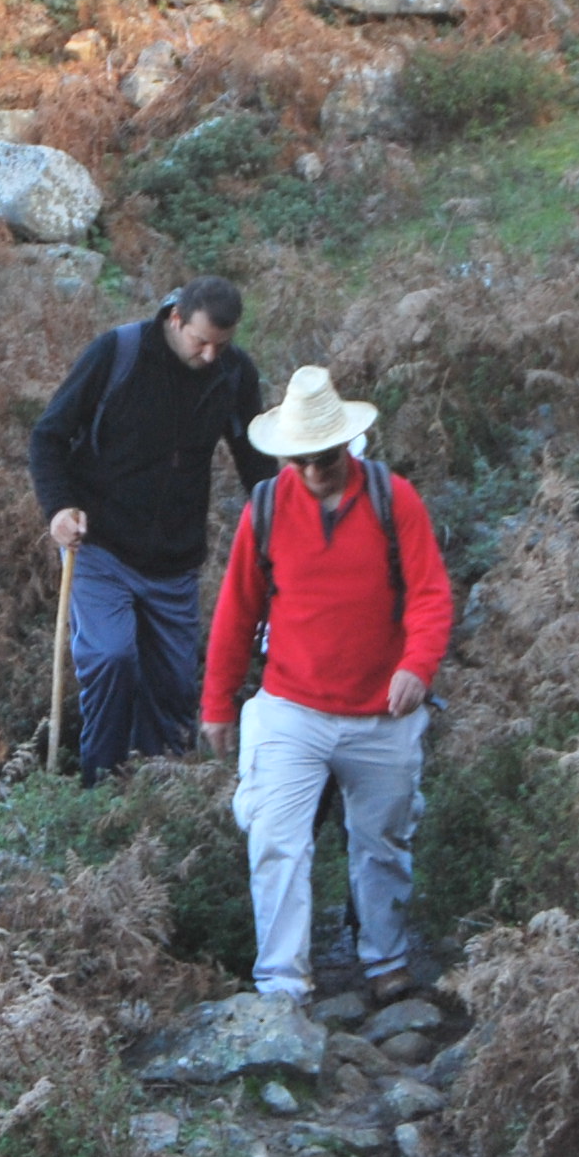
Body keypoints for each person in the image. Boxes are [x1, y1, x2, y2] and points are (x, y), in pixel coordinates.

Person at [198, 368, 455, 1002]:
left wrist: (416, 667)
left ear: (349, 446)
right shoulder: (265, 509)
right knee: (276, 841)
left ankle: (385, 961)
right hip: (289, 709)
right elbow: (236, 613)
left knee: (383, 844)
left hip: (382, 714)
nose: (315, 471)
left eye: (326, 457)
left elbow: (431, 596)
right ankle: (282, 984)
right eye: (302, 461)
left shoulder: (397, 501)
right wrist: (217, 704)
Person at [28, 279, 266, 780]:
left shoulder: (234, 372)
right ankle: (98, 784)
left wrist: (282, 521)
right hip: (101, 547)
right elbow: (49, 436)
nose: (209, 354)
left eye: (221, 345)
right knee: (112, 658)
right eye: (201, 341)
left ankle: (155, 797)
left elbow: (253, 459)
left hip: (175, 559)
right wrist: (59, 509)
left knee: (173, 689)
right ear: (175, 318)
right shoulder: (119, 353)